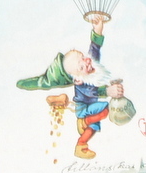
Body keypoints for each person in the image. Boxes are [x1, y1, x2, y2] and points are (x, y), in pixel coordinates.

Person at [16, 11, 128, 159]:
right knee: (106, 108)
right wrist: (108, 91)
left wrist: (97, 31)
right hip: (83, 109)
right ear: (77, 80)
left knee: (93, 128)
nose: (86, 63)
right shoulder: (83, 82)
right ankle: (84, 121)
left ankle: (81, 145)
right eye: (81, 67)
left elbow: (94, 48)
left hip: (89, 107)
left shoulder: (91, 67)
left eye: (83, 58)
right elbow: (93, 92)